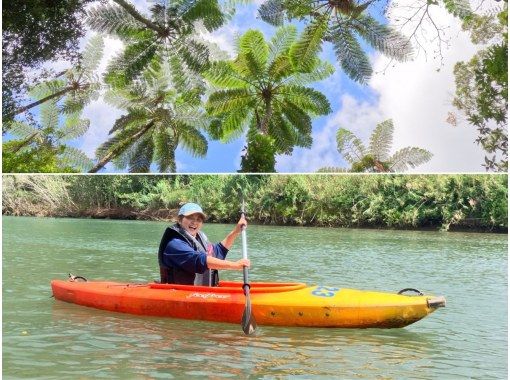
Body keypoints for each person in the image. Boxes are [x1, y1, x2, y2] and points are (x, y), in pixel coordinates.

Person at [158, 202, 250, 286]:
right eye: (190, 218)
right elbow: (199, 260)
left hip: (200, 294)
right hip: (179, 295)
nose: (194, 222)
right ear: (179, 220)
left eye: (199, 219)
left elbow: (218, 252)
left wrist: (236, 231)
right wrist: (235, 265)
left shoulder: (199, 239)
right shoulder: (175, 244)